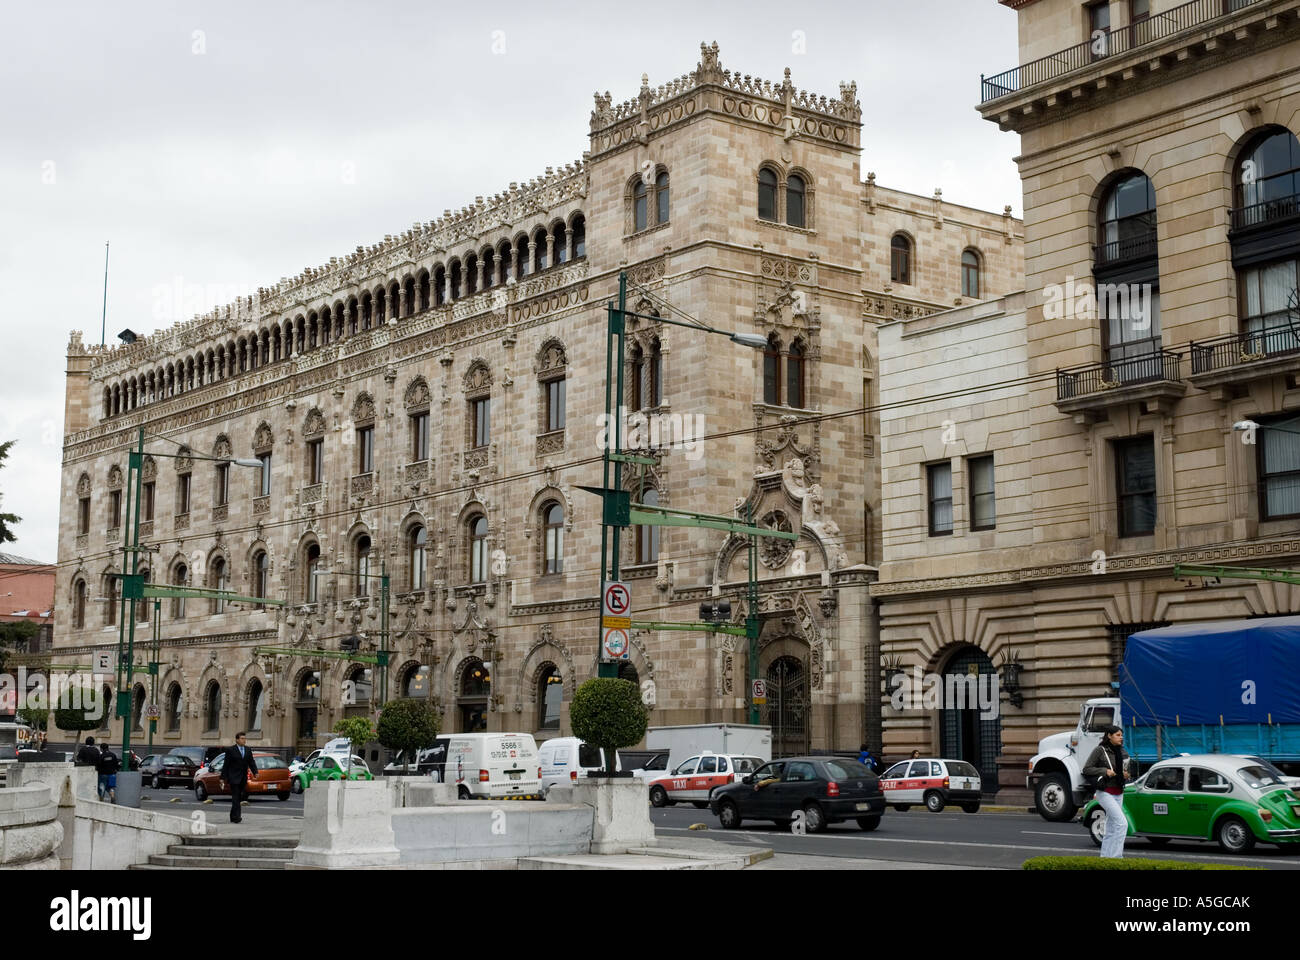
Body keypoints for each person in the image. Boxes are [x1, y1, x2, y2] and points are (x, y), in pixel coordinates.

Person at [1083, 725, 1131, 859]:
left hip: (1119, 791)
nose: (1121, 737)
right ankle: (1116, 858)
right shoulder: (1100, 750)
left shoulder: (1122, 751)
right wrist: (1105, 771)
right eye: (1117, 735)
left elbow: (1127, 769)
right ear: (1109, 736)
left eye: (1121, 735)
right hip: (1105, 792)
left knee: (1110, 828)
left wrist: (1127, 775)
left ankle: (1105, 858)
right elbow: (1087, 769)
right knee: (1122, 824)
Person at [221, 732, 259, 824]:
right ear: (237, 740)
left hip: (243, 778)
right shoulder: (231, 750)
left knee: (238, 797)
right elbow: (226, 765)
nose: (244, 740)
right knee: (236, 796)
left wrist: (255, 772)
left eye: (245, 738)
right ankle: (237, 817)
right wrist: (222, 778)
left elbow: (251, 762)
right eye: (242, 738)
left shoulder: (248, 750)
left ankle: (232, 816)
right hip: (233, 777)